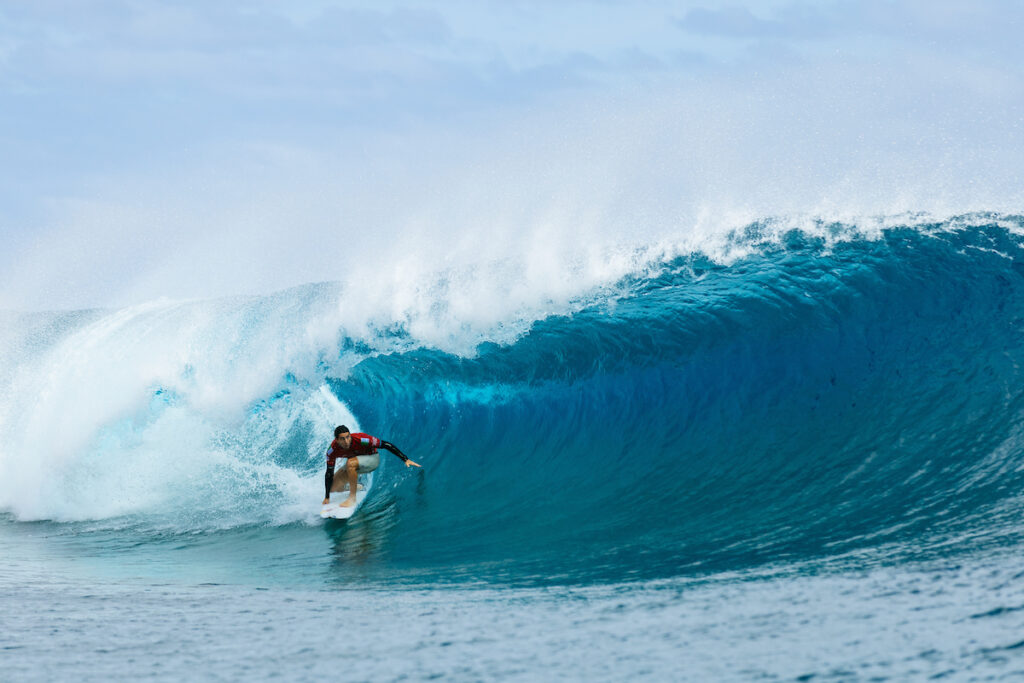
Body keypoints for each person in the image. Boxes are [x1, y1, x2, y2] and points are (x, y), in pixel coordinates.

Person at [322, 425, 421, 507]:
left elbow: (385, 444)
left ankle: (352, 499)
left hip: (372, 460)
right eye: (342, 439)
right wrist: (327, 497)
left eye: (348, 437)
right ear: (337, 440)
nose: (347, 441)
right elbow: (329, 473)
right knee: (333, 488)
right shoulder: (332, 451)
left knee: (350, 463)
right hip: (354, 463)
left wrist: (405, 459)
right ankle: (357, 487)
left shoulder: (361, 439)